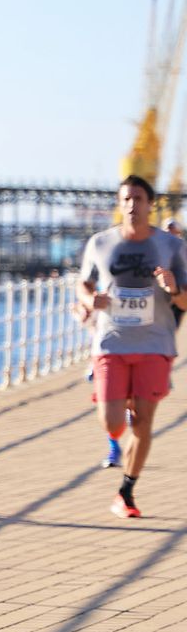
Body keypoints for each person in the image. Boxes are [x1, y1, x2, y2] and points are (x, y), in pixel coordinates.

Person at [77, 176, 187, 517]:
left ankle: (126, 492)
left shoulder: (172, 247)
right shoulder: (100, 242)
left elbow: (184, 302)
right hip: (111, 340)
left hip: (155, 342)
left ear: (150, 204)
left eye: (138, 199)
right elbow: (83, 283)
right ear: (119, 202)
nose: (131, 205)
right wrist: (89, 299)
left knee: (143, 424)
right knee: (112, 423)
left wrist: (172, 288)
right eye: (125, 199)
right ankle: (119, 406)